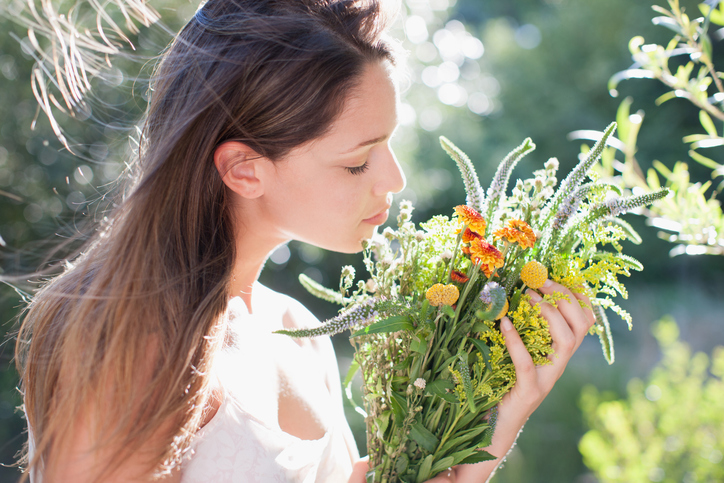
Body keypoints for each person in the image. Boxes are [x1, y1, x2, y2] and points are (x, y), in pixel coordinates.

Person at [13, 0, 596, 481]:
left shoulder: (296, 331)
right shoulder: (131, 342)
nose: (394, 180)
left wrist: (490, 431)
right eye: (357, 162)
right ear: (244, 169)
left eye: (388, 145)